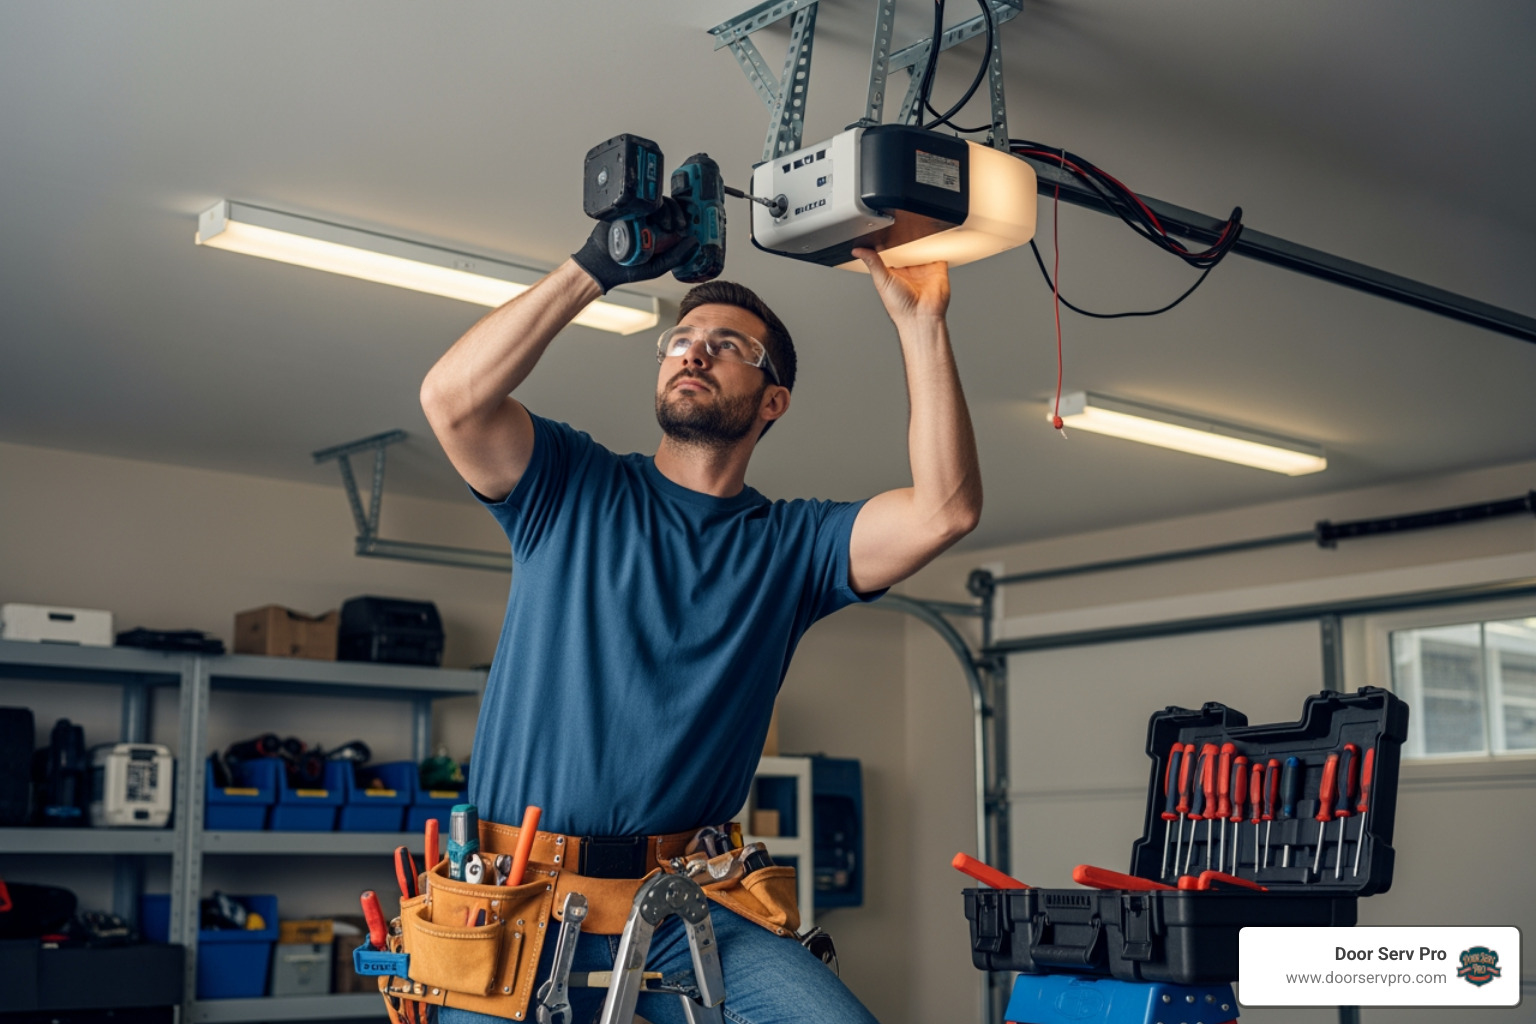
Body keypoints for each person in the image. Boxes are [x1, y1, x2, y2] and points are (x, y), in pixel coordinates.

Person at [419, 209, 982, 1024]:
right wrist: (597, 265)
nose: (696, 350)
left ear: (773, 401)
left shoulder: (794, 546)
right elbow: (452, 400)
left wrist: (922, 322)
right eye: (682, 340)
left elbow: (946, 510)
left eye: (730, 346)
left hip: (683, 903)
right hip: (517, 902)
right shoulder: (570, 486)